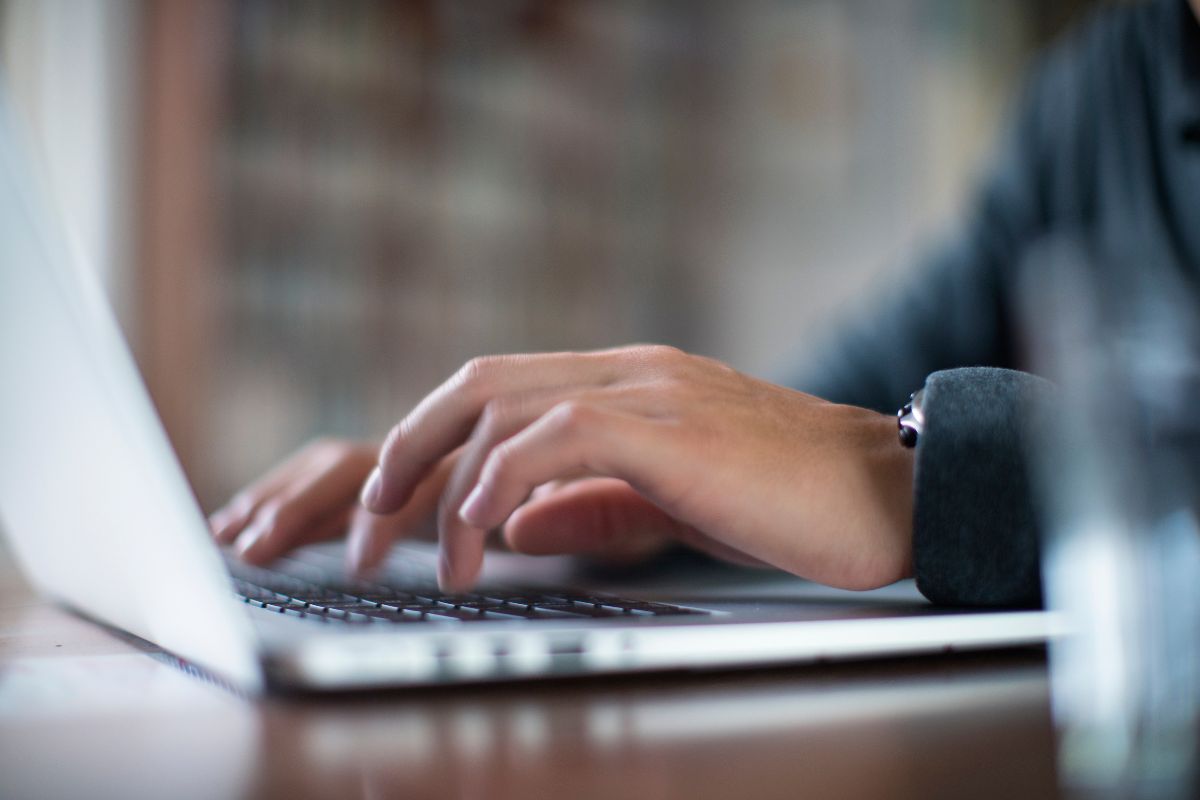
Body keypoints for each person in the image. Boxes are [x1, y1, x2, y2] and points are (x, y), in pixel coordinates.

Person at [210, 0, 1200, 607]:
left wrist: (924, 478)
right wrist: (609, 475)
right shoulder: (1100, 93)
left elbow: (873, 456)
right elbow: (820, 423)